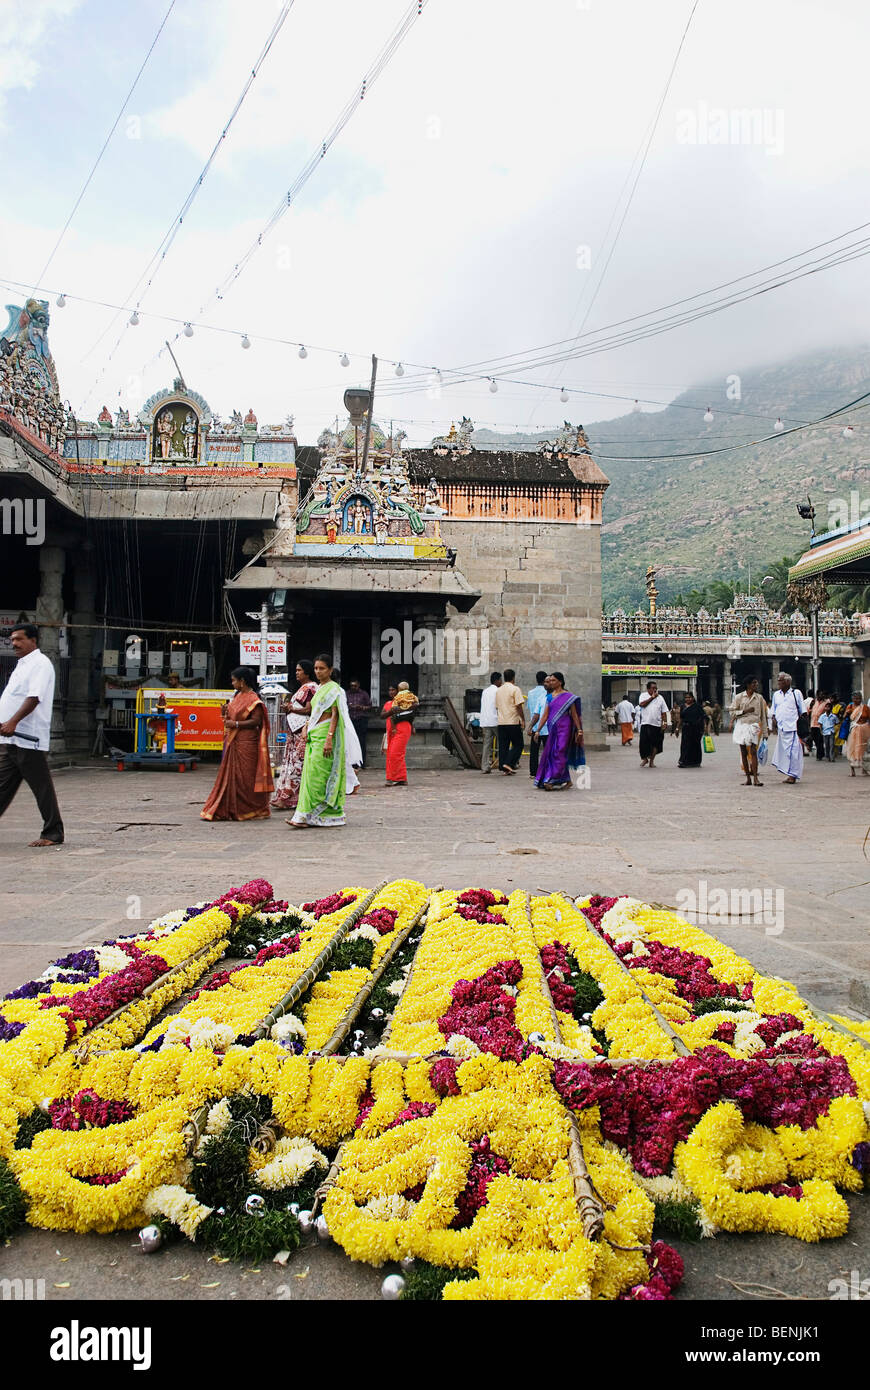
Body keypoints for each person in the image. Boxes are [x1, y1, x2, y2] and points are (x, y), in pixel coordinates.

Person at [0, 624, 64, 847]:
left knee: (41, 787)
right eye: (12, 639)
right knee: (2, 785)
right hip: (11, 738)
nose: (14, 643)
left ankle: (53, 833)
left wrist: (13, 721)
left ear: (33, 641)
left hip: (27, 738)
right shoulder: (22, 665)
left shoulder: (40, 664)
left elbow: (34, 697)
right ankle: (53, 831)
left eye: (19, 639)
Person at [200, 667, 273, 821]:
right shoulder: (237, 696)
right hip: (234, 740)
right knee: (232, 776)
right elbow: (232, 715)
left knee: (246, 777)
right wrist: (226, 712)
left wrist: (236, 724)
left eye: (234, 680)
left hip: (247, 742)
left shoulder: (254, 699)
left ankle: (251, 808)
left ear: (242, 681)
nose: (232, 683)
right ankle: (231, 806)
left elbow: (257, 721)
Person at [288, 655, 346, 827]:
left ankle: (316, 813)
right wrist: (306, 728)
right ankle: (305, 816)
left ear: (330, 670)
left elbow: (335, 715)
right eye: (316, 668)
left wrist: (329, 739)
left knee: (318, 776)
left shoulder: (334, 689)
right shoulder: (319, 688)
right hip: (313, 733)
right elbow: (313, 713)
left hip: (325, 734)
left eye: (322, 668)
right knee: (308, 775)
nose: (318, 671)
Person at [270, 660, 317, 810]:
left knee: (298, 766)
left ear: (307, 672)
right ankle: (286, 797)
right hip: (294, 732)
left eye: (299, 670)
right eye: (296, 670)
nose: (296, 673)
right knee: (291, 764)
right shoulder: (301, 689)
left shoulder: (310, 688)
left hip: (302, 732)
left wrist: (291, 709)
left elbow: (309, 709)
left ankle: (287, 798)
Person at [530, 672, 584, 790]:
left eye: (553, 680)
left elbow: (574, 715)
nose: (551, 682)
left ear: (560, 682)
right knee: (551, 753)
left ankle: (552, 779)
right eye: (550, 681)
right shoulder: (549, 697)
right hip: (552, 729)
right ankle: (567, 780)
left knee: (559, 752)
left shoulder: (569, 697)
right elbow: (545, 716)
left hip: (565, 728)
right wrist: (538, 730)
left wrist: (579, 730)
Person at [729, 676, 769, 787]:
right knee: (743, 753)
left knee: (753, 752)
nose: (756, 685)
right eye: (754, 683)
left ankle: (755, 778)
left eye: (756, 683)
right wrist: (744, 711)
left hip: (754, 726)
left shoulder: (759, 698)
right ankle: (748, 778)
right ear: (748, 684)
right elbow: (732, 712)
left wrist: (765, 732)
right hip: (742, 726)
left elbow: (763, 717)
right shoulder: (739, 697)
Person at [769, 672, 805, 784]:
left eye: (781, 680)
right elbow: (773, 711)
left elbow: (802, 711)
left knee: (793, 752)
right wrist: (773, 722)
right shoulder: (776, 695)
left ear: (788, 682)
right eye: (778, 680)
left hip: (793, 728)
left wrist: (802, 726)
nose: (778, 683)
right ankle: (788, 773)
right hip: (782, 728)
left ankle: (793, 775)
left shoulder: (796, 693)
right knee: (784, 752)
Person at [385, 681, 418, 786]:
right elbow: (385, 715)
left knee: (396, 753)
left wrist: (403, 708)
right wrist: (393, 711)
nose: (392, 692)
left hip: (403, 728)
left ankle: (396, 778)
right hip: (394, 729)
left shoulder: (409, 698)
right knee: (393, 753)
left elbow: (415, 707)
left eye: (394, 690)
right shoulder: (393, 701)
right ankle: (400, 778)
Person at [496, 667, 525, 775]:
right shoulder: (515, 689)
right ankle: (508, 763)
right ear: (513, 677)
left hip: (501, 721)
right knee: (518, 744)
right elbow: (518, 706)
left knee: (503, 745)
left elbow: (497, 706)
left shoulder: (499, 690)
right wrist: (523, 719)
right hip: (512, 721)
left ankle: (504, 767)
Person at [637, 681, 670, 768]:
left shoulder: (660, 698)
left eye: (656, 688)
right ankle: (645, 759)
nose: (655, 690)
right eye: (653, 688)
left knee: (655, 744)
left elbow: (663, 712)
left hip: (656, 724)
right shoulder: (643, 695)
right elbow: (642, 704)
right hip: (645, 723)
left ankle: (652, 761)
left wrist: (665, 723)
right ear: (648, 689)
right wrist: (652, 698)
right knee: (643, 744)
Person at [526, 670, 548, 778]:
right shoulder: (547, 693)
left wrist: (530, 726)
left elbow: (531, 709)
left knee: (534, 751)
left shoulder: (530, 693)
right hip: (546, 726)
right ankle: (547, 771)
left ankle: (533, 772)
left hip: (535, 725)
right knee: (547, 750)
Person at [479, 672, 502, 774]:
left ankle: (485, 766)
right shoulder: (498, 691)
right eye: (500, 680)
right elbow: (499, 706)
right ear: (497, 680)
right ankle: (503, 764)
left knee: (486, 745)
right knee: (502, 743)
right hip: (496, 720)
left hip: (486, 720)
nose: (501, 682)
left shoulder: (485, 691)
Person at [346, 679, 372, 768]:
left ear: (358, 685)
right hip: (350, 720)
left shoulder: (363, 694)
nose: (353, 687)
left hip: (361, 720)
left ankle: (362, 763)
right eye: (352, 686)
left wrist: (360, 707)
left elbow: (369, 706)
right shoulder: (347, 694)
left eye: (355, 686)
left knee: (361, 741)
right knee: (351, 742)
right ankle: (353, 763)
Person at [844, 691, 870, 777]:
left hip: (864, 730)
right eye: (856, 698)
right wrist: (847, 713)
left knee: (863, 749)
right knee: (852, 749)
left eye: (859, 698)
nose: (858, 700)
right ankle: (852, 771)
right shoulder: (850, 706)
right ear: (852, 699)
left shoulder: (865, 708)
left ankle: (864, 769)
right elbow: (844, 717)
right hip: (854, 730)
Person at [677, 692, 705, 768]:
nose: (687, 699)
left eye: (689, 697)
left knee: (695, 745)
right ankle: (683, 761)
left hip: (696, 729)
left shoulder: (697, 707)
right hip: (686, 728)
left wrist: (704, 730)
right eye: (686, 697)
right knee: (685, 745)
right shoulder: (683, 706)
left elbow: (703, 718)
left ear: (692, 698)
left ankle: (695, 762)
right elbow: (681, 718)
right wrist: (677, 728)